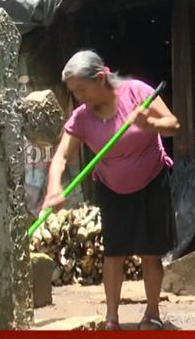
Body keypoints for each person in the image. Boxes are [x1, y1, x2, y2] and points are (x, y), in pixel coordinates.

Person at [41, 50, 180, 331]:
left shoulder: (137, 92)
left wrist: (150, 123)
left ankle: (152, 314)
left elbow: (173, 125)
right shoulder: (81, 117)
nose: (79, 96)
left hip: (151, 180)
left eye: (82, 88)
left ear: (101, 77)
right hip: (112, 187)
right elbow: (61, 157)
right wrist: (53, 188)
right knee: (113, 253)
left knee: (150, 252)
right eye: (74, 91)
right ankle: (111, 318)